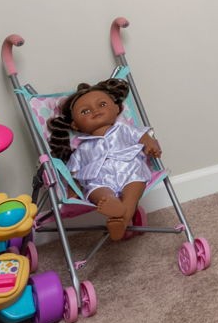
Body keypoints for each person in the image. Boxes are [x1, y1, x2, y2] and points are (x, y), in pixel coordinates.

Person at [48, 78, 161, 241]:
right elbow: (74, 173)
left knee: (132, 191)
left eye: (102, 105)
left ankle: (121, 219)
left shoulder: (123, 130)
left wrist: (151, 145)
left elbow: (142, 135)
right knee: (99, 193)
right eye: (85, 112)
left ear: (116, 108)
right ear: (75, 125)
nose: (95, 111)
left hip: (130, 170)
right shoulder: (81, 149)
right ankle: (114, 207)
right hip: (98, 179)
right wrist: (73, 193)